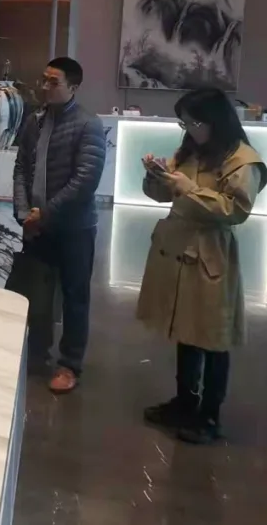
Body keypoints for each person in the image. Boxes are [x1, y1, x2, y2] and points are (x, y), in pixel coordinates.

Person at [137, 88, 264, 445]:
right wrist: (158, 177)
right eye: (185, 123)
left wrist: (189, 188)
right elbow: (166, 194)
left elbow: (235, 210)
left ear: (214, 121)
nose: (189, 130)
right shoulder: (191, 150)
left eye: (194, 123)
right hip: (180, 250)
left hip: (210, 256)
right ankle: (184, 401)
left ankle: (209, 414)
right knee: (186, 330)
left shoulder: (243, 160)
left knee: (213, 337)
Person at [12, 56, 105, 393]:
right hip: (38, 226)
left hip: (74, 228)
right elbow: (21, 167)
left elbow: (85, 180)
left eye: (54, 82)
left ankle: (69, 364)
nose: (45, 87)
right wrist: (24, 212)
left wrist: (46, 213)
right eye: (44, 79)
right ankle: (37, 353)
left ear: (73, 87)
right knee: (36, 294)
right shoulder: (35, 121)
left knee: (74, 296)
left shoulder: (88, 125)